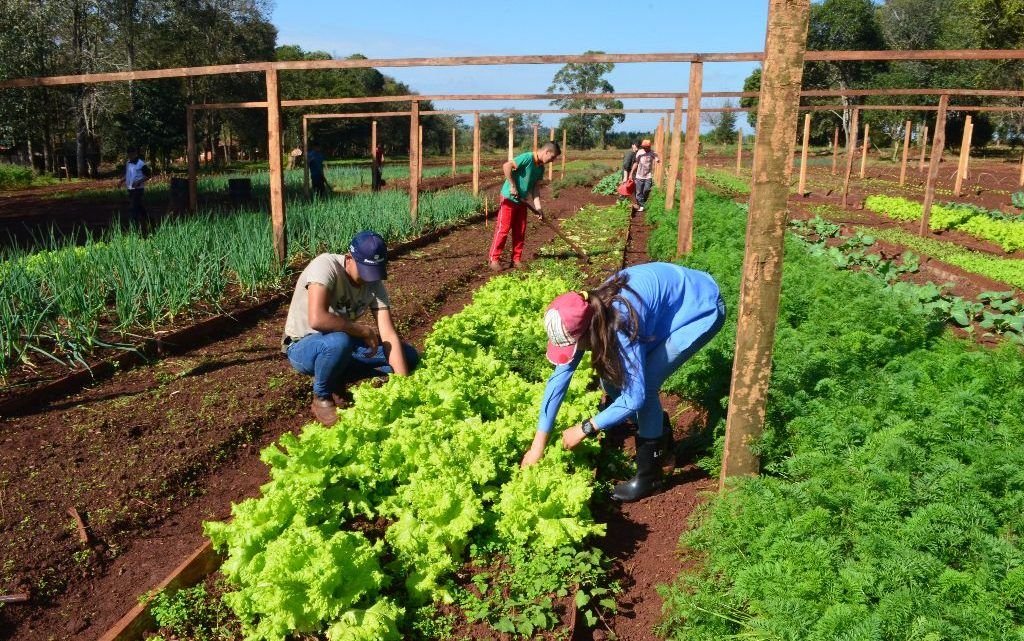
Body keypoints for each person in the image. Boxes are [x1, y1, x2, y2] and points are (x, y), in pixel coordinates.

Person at [520, 262, 726, 502]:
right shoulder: (586, 314)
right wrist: (538, 445)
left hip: (699, 308)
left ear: (589, 332)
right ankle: (660, 438)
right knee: (613, 382)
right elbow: (559, 379)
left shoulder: (621, 323)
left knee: (645, 386)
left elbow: (635, 396)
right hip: (672, 300)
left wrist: (585, 428)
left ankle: (650, 477)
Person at [281, 231, 419, 426]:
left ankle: (337, 379)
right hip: (304, 346)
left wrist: (404, 389)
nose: (368, 279)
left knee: (408, 355)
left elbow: (388, 334)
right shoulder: (325, 266)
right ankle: (322, 396)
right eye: (364, 271)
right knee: (338, 341)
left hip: (345, 349)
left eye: (374, 273)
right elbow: (317, 319)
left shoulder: (374, 283)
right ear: (349, 258)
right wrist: (362, 330)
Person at [488, 141, 561, 271]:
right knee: (503, 230)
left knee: (520, 231)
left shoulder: (540, 168)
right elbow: (506, 166)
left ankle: (516, 260)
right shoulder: (527, 158)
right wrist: (512, 186)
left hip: (522, 201)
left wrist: (539, 209)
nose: (552, 160)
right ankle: (494, 259)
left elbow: (535, 190)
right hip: (509, 199)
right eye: (552, 157)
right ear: (547, 152)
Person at [117, 146, 151, 229]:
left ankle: (133, 226)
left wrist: (138, 182)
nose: (130, 156)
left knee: (133, 208)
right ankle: (149, 220)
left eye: (132, 154)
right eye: (129, 154)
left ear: (135, 153)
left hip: (138, 190)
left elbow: (148, 176)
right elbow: (128, 174)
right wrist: (122, 181)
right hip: (130, 189)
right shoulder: (128, 163)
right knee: (139, 206)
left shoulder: (141, 164)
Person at [629, 139, 660, 213]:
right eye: (644, 147)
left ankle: (643, 203)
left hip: (648, 176)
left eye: (646, 147)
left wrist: (663, 166)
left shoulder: (652, 153)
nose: (645, 148)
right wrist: (631, 173)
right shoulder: (639, 152)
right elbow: (636, 163)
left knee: (647, 190)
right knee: (639, 192)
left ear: (649, 147)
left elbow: (658, 161)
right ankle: (642, 206)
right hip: (639, 176)